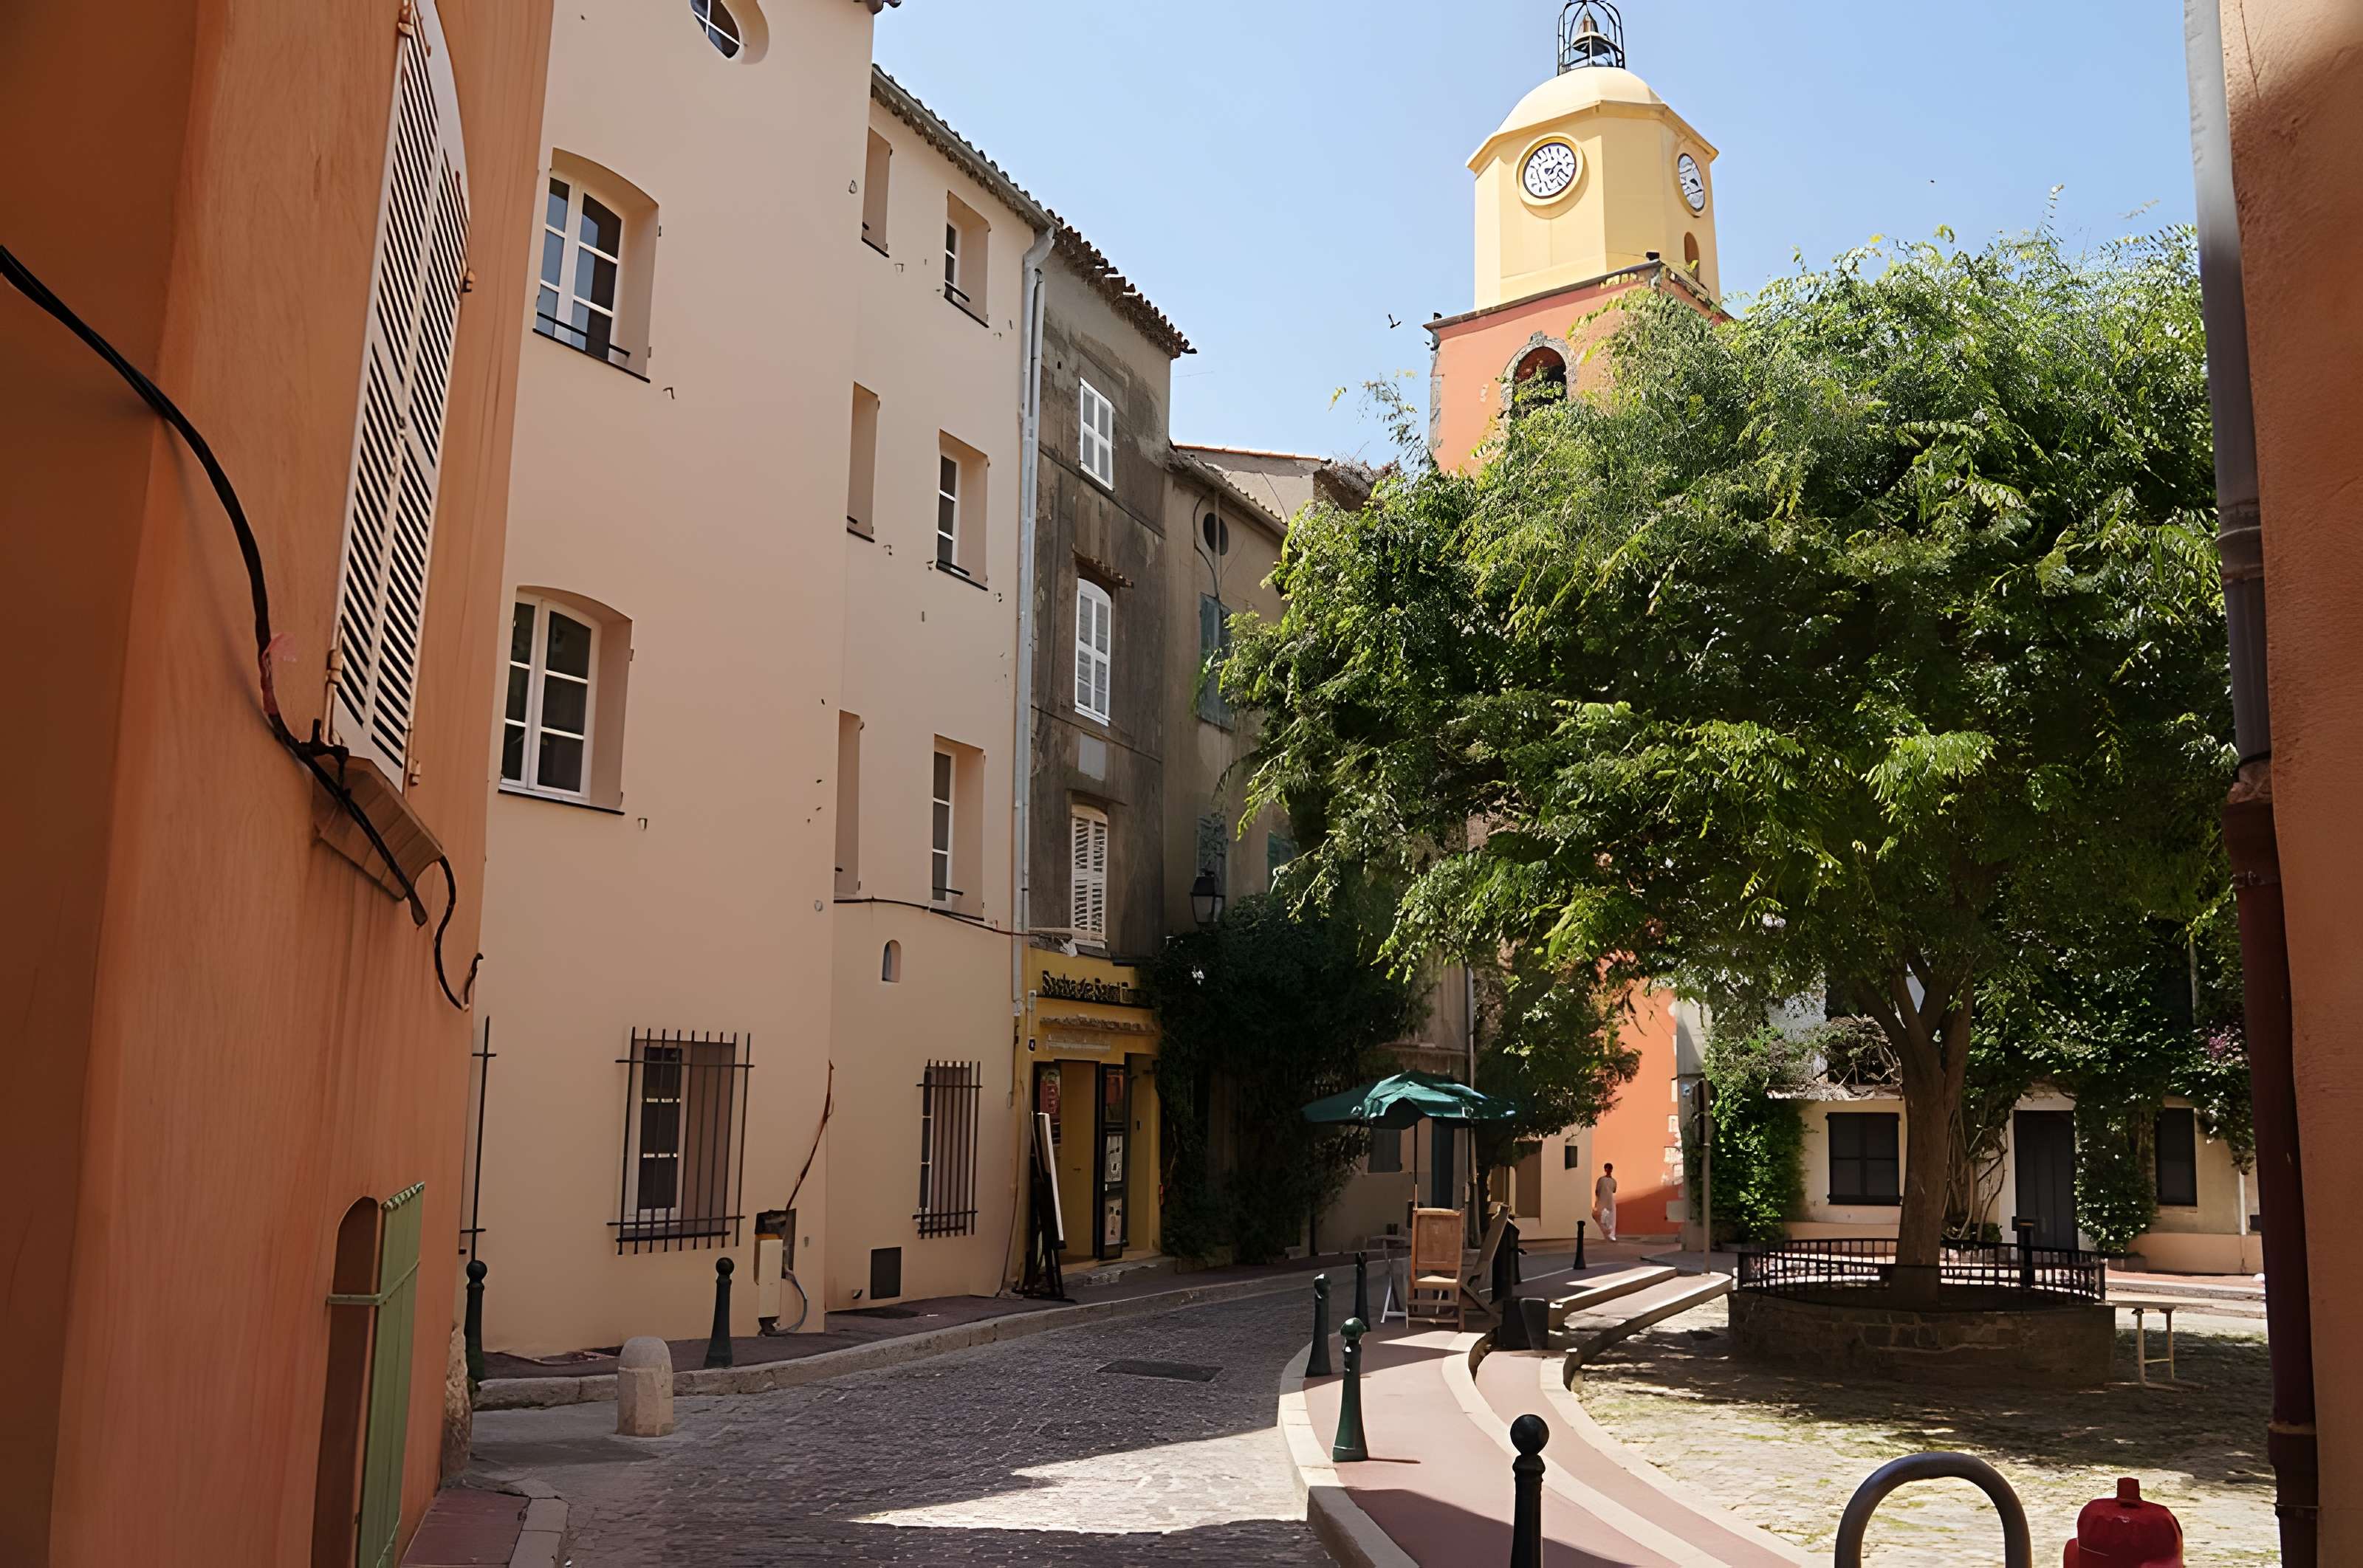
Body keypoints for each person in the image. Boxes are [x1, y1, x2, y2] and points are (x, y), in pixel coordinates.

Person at [1592, 1162, 1618, 1242]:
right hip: (1602, 1202)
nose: (1608, 1170)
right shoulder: (1601, 1180)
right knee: (1602, 1219)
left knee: (1611, 1219)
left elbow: (1614, 1190)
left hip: (1609, 1202)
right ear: (1605, 1169)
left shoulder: (1613, 1181)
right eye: (1607, 1168)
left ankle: (1611, 1235)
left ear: (1611, 1170)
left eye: (1609, 1168)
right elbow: (1597, 1191)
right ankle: (1604, 1234)